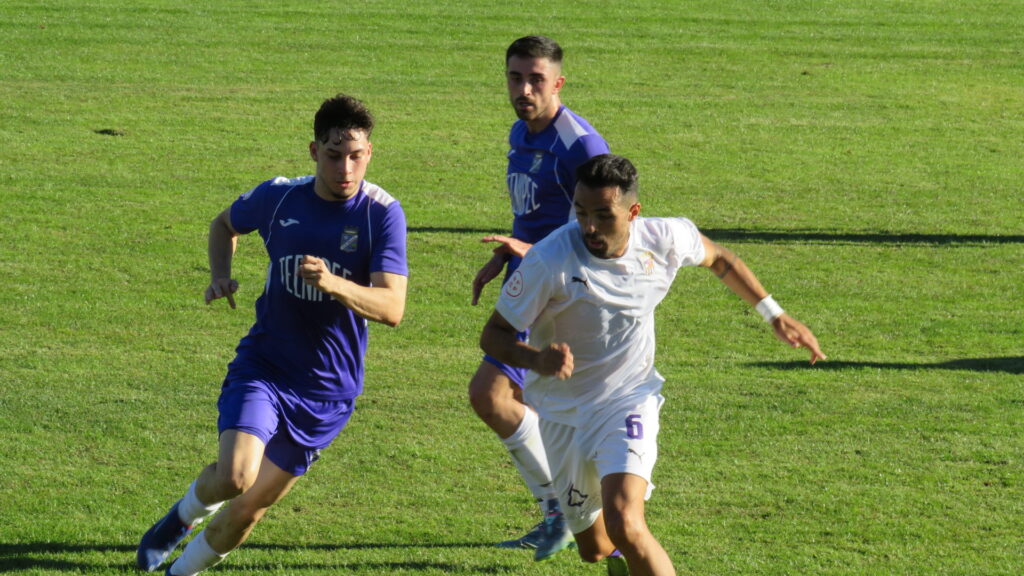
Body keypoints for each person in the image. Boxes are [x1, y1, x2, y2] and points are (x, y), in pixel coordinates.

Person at [480, 154, 825, 576]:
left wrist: (774, 313)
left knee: (626, 519)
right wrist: (538, 360)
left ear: (633, 212)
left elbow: (719, 258)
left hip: (628, 398)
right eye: (581, 212)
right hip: (563, 414)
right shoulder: (550, 259)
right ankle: (620, 558)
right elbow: (493, 335)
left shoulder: (665, 238)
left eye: (603, 215)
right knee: (595, 547)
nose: (588, 226)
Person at [135, 94, 408, 576]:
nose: (345, 168)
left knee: (247, 513)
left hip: (328, 391)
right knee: (236, 476)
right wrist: (220, 273)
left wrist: (333, 283)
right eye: (333, 155)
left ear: (370, 153)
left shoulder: (381, 214)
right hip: (266, 367)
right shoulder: (279, 197)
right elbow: (224, 223)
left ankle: (181, 572)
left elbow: (392, 307)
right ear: (313, 150)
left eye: (356, 156)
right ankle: (178, 520)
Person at [468, 35, 611, 560]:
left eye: (535, 79)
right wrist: (506, 255)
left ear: (558, 82)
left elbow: (604, 229)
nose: (524, 89)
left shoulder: (580, 146)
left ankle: (567, 510)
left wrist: (526, 249)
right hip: (531, 280)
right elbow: (531, 216)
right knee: (531, 405)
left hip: (563, 291)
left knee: (491, 395)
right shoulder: (520, 132)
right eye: (514, 77)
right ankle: (573, 507)